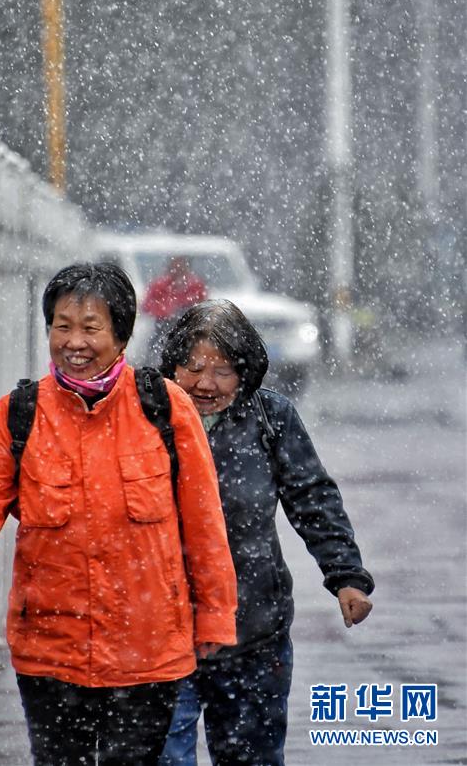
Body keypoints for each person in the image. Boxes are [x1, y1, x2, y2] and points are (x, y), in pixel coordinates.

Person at [0, 264, 237, 766]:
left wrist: (214, 618)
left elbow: (204, 524)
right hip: (51, 651)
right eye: (62, 326)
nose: (74, 341)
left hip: (149, 650)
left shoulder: (165, 408)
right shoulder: (21, 412)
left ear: (120, 335)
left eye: (90, 328)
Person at [158, 299, 374, 766]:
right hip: (161, 631)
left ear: (247, 372)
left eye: (223, 370)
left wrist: (346, 575)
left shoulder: (270, 417)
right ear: (172, 364)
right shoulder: (146, 417)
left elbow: (312, 497)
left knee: (252, 757)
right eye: (193, 367)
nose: (206, 384)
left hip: (253, 630)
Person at [141, 257, 207, 362]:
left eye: (181, 266)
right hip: (162, 326)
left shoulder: (195, 286)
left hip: (189, 327)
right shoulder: (159, 285)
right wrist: (165, 310)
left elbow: (203, 306)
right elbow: (147, 306)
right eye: (175, 266)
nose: (178, 269)